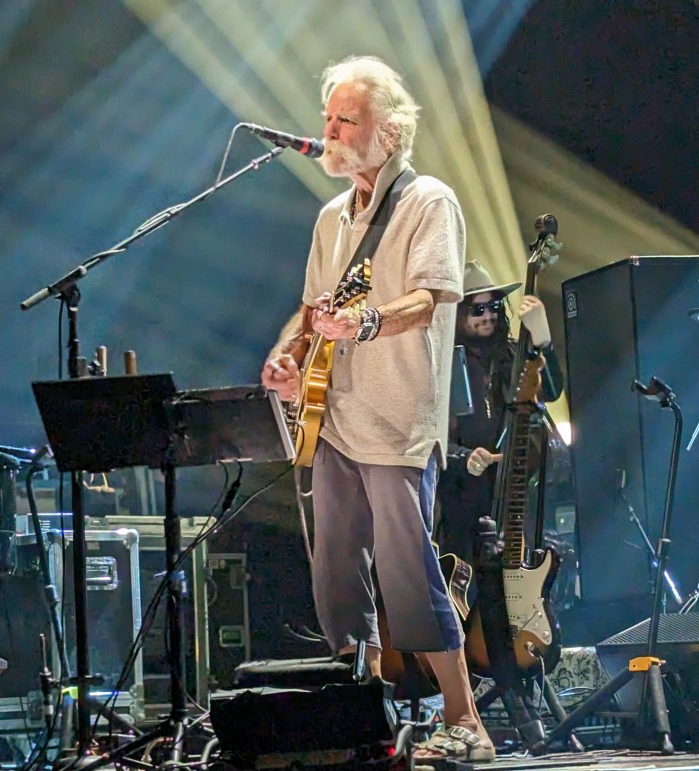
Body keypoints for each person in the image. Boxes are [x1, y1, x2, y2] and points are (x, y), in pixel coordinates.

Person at [260, 55, 493, 761]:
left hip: (397, 420)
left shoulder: (428, 202)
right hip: (334, 417)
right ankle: (359, 715)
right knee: (335, 572)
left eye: (346, 120)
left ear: (389, 133)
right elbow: (312, 310)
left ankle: (466, 720)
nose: (329, 131)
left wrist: (363, 323)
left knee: (406, 570)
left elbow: (428, 299)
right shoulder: (331, 218)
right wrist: (287, 356)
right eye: (327, 118)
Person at [437, 260, 563, 563]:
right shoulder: (442, 364)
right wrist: (463, 457)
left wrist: (543, 340)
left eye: (493, 306)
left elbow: (551, 390)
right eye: (477, 310)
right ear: (458, 314)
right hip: (463, 498)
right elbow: (430, 433)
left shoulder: (513, 354)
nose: (488, 316)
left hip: (515, 495)